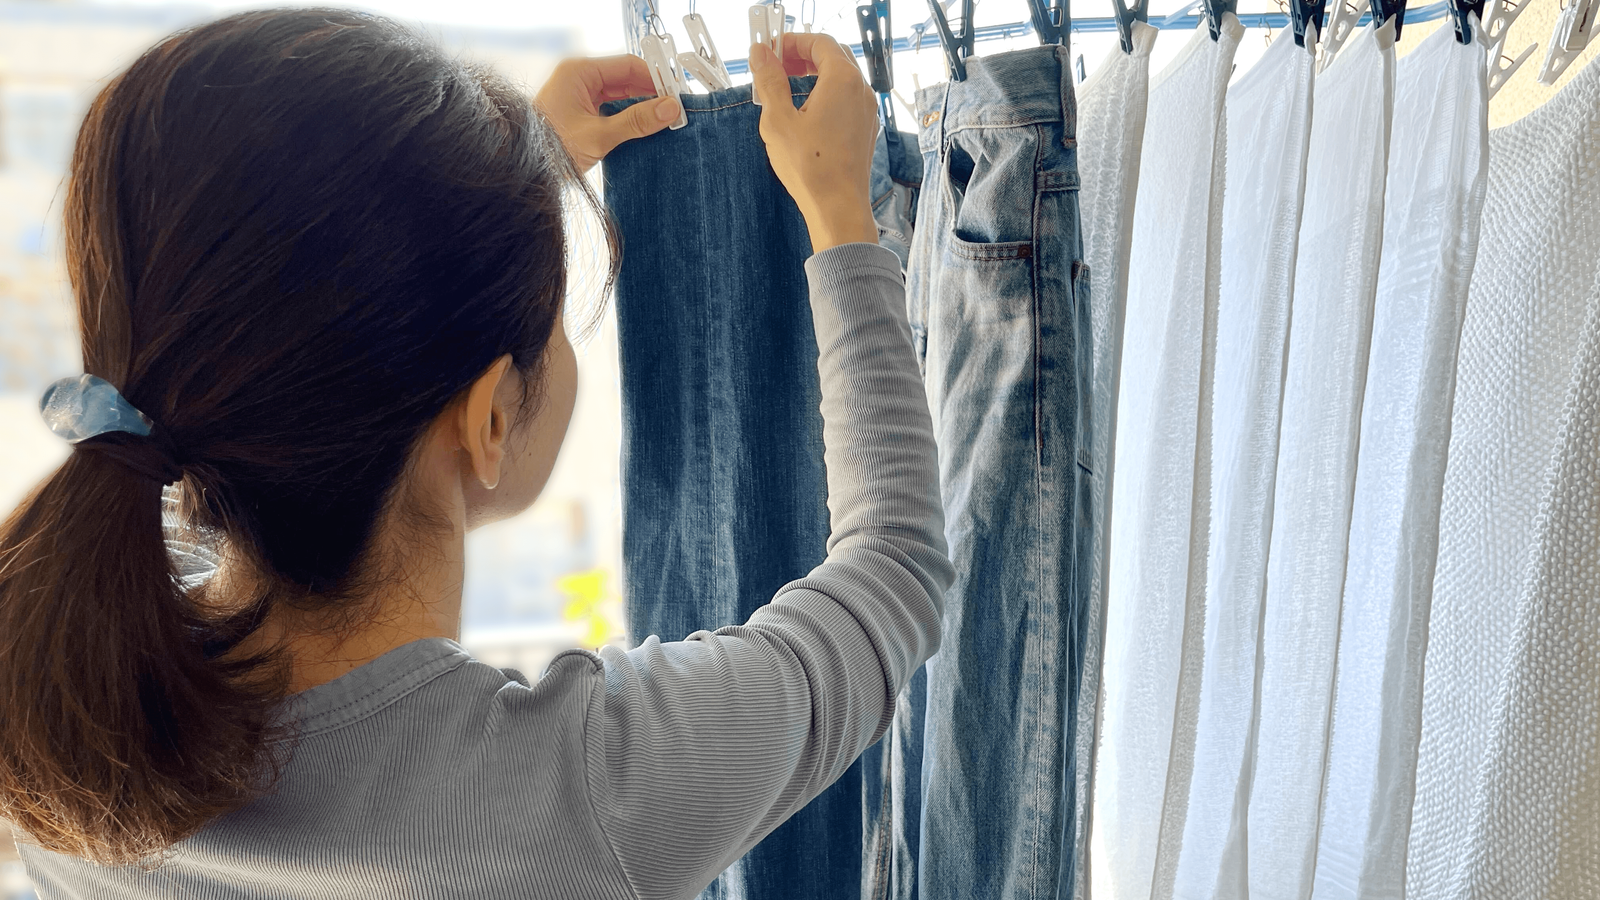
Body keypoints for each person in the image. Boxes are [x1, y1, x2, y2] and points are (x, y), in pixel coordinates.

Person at [0, 7, 952, 899]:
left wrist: (497, 197)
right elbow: (894, 570)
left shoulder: (53, 731)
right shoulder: (588, 794)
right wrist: (842, 217)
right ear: (490, 421)